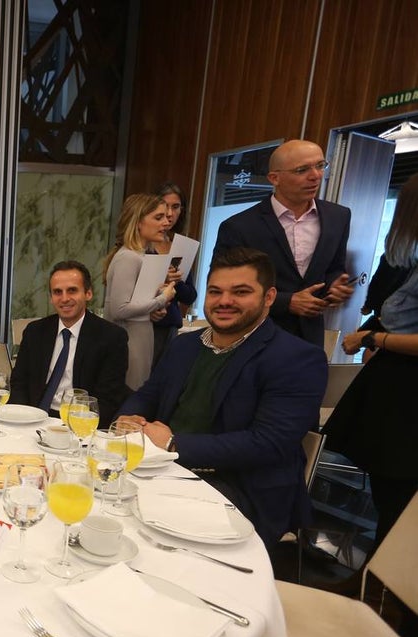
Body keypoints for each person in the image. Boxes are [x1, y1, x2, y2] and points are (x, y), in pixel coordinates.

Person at [117, 248, 327, 546]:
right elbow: (148, 394)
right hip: (162, 472)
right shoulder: (185, 345)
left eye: (240, 292)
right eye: (215, 291)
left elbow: (268, 443)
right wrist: (128, 416)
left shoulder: (297, 358)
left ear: (268, 297)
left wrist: (173, 443)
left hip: (238, 488)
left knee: (137, 533)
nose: (224, 301)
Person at [325, 173, 418, 550]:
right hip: (394, 385)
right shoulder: (404, 261)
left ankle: (386, 585)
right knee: (390, 493)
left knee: (399, 495)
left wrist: (372, 337)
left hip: (406, 393)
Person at [214, 139, 355, 348]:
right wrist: (286, 301)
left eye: (320, 165)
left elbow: (334, 267)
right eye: (302, 170)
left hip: (309, 337)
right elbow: (221, 285)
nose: (315, 175)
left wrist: (335, 286)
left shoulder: (338, 216)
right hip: (255, 335)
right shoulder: (240, 226)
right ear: (274, 178)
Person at [10, 261, 129, 426]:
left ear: (88, 293)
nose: (64, 298)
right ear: (51, 298)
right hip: (34, 416)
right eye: (57, 292)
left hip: (77, 421)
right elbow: (19, 382)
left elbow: (109, 398)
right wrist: (20, 418)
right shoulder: (35, 332)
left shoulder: (111, 337)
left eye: (72, 290)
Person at [102, 193, 177, 389]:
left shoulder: (140, 256)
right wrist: (162, 299)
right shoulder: (129, 258)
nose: (166, 223)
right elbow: (120, 309)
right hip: (130, 342)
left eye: (166, 217)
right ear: (138, 223)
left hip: (140, 336)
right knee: (131, 396)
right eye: (158, 217)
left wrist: (153, 311)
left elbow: (135, 306)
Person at [149, 182, 199, 366]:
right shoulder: (141, 246)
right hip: (142, 324)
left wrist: (176, 281)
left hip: (170, 326)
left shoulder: (181, 247)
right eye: (164, 205)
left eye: (175, 207)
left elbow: (190, 296)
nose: (169, 214)